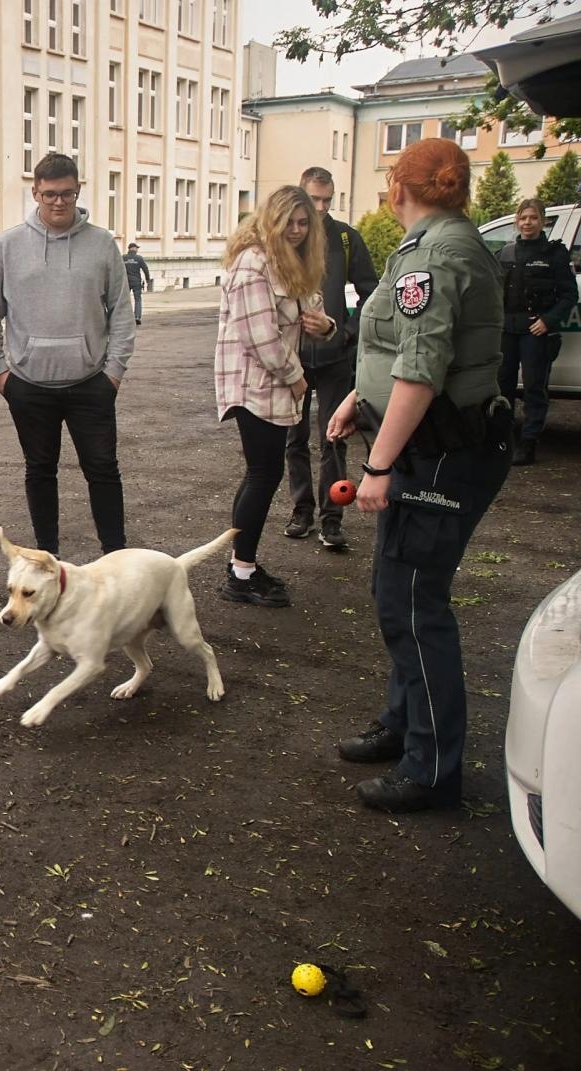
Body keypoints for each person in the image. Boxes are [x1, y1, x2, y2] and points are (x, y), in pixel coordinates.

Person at [327, 138, 514, 813]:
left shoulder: (434, 254)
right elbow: (398, 347)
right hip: (426, 443)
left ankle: (431, 767)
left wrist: (377, 465)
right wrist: (359, 399)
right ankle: (405, 724)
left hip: (439, 451)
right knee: (394, 589)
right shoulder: (432, 244)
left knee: (413, 602)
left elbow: (422, 367)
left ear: (396, 186)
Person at [0, 152, 135, 559]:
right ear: (35, 193)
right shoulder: (10, 244)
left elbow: (121, 312)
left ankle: (115, 558)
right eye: (49, 195)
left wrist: (113, 372)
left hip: (90, 384)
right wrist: (0, 373)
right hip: (28, 386)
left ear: (78, 191)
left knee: (102, 471)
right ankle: (48, 558)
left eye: (66, 193)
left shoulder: (102, 244)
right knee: (40, 471)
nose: (58, 202)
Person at [213, 185, 336, 609]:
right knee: (263, 475)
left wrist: (327, 326)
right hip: (255, 384)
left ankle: (240, 566)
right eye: (290, 223)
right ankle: (241, 573)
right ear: (272, 220)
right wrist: (297, 378)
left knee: (259, 474)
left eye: (305, 223)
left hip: (270, 384)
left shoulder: (288, 261)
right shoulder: (252, 262)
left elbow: (310, 310)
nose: (298, 230)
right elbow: (260, 337)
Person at [283, 166, 379, 551]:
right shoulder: (287, 238)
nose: (321, 207)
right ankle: (301, 509)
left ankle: (332, 517)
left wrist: (349, 332)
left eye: (327, 200)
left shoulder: (346, 238)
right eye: (314, 199)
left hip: (336, 357)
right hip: (294, 360)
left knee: (334, 438)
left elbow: (371, 291)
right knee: (294, 438)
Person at [496, 198, 578, 466]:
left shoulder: (554, 254)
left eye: (532, 218)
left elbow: (568, 295)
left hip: (536, 331)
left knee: (534, 388)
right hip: (507, 330)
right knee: (502, 387)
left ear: (542, 221)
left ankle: (528, 443)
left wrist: (548, 321)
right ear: (516, 221)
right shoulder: (506, 253)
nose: (527, 223)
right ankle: (503, 440)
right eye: (522, 218)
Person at [123, 243, 152, 324]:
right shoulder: (139, 258)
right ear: (133, 248)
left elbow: (118, 269)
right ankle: (137, 317)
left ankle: (125, 317)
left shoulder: (123, 258)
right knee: (138, 299)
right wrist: (147, 279)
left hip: (126, 282)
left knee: (125, 300)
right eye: (136, 248)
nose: (137, 250)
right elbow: (145, 269)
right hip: (136, 282)